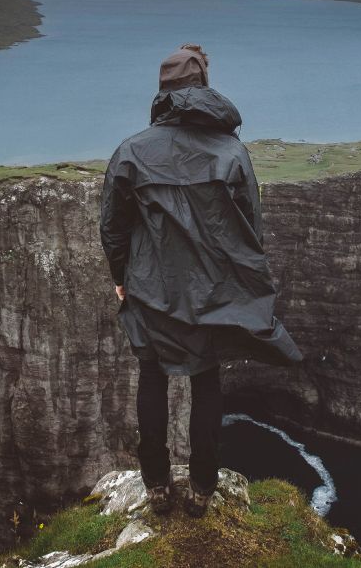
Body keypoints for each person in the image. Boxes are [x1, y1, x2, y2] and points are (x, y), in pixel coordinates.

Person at [99, 43, 303, 518]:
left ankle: (155, 485)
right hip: (213, 293)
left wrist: (121, 277)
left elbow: (113, 225)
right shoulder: (231, 151)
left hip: (150, 288)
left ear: (163, 92)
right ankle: (202, 489)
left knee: (152, 376)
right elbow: (251, 224)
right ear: (203, 88)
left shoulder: (131, 151)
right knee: (205, 379)